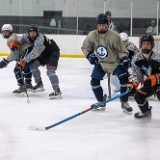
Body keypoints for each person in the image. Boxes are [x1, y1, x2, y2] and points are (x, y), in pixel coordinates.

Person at [81, 13, 132, 114]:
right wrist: (90, 55)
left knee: (124, 80)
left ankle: (124, 102)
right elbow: (85, 48)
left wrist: (124, 58)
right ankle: (101, 102)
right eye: (99, 25)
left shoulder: (115, 36)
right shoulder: (92, 35)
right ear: (97, 25)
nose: (101, 27)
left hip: (116, 62)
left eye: (103, 25)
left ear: (107, 25)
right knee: (94, 81)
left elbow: (121, 50)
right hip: (102, 63)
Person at [16, 24, 62, 99]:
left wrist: (24, 61)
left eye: (34, 32)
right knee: (33, 66)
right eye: (31, 32)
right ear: (29, 32)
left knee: (50, 71)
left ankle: (57, 91)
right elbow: (20, 40)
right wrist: (15, 43)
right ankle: (39, 84)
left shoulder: (40, 39)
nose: (32, 34)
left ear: (37, 32)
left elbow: (35, 53)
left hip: (52, 52)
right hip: (43, 53)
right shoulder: (27, 36)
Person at [127, 34, 160, 118]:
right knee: (139, 96)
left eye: (148, 44)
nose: (145, 46)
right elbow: (137, 75)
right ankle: (146, 112)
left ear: (152, 46)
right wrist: (133, 84)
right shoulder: (136, 59)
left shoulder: (158, 57)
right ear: (141, 45)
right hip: (149, 83)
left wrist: (155, 78)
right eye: (144, 44)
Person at [0, 24, 34, 93]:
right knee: (25, 67)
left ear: (10, 31)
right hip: (30, 50)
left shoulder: (11, 39)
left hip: (27, 50)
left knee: (18, 68)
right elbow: (16, 53)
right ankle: (28, 84)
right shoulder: (13, 36)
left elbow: (15, 54)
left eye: (6, 31)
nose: (4, 33)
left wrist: (5, 61)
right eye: (3, 31)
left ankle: (22, 86)